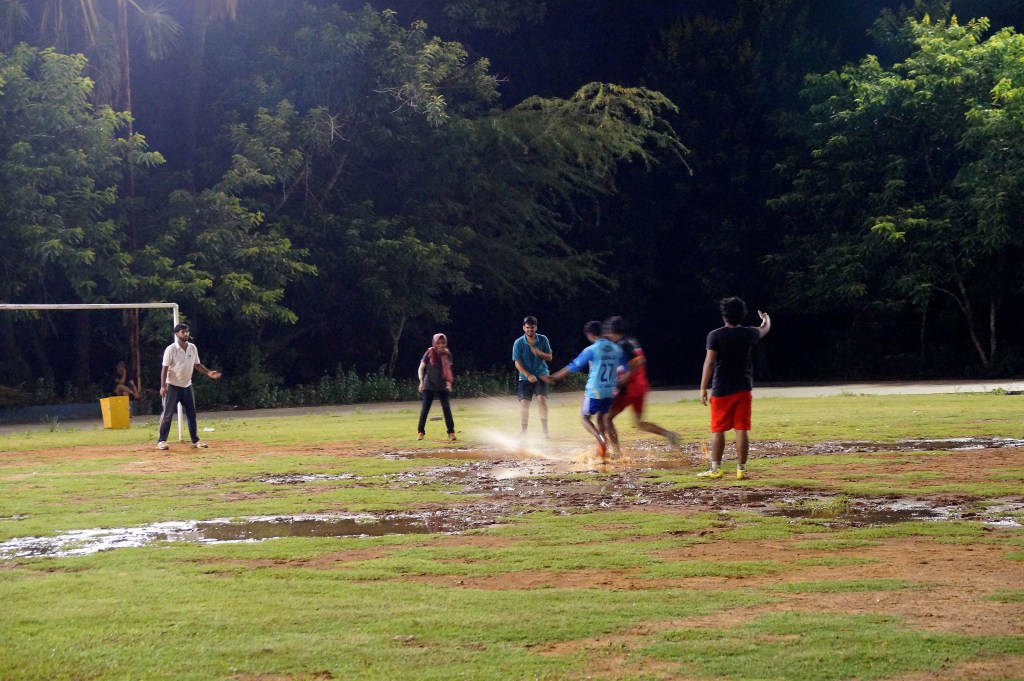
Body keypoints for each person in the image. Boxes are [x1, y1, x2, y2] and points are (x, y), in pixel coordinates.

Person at [698, 297, 771, 480]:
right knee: (741, 429)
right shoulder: (749, 333)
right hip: (743, 388)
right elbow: (765, 328)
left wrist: (702, 387)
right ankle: (741, 470)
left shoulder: (715, 335)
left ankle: (716, 469)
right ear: (742, 315)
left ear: (724, 316)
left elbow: (710, 361)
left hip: (721, 388)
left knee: (718, 429)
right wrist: (766, 318)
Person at [543, 321, 627, 463]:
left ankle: (600, 440)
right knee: (602, 418)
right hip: (611, 391)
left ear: (590, 334)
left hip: (595, 391)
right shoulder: (616, 349)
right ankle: (615, 451)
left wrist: (554, 377)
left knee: (585, 419)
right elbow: (624, 368)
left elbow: (574, 366)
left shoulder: (591, 349)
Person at [603, 316, 679, 449]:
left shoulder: (622, 345)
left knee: (607, 418)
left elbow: (638, 363)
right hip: (641, 387)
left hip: (629, 389)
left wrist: (623, 380)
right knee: (639, 423)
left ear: (612, 332)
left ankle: (616, 451)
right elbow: (640, 361)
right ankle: (668, 434)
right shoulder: (632, 342)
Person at [156, 323, 222, 450]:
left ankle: (195, 441)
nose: (186, 334)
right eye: (183, 332)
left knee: (191, 414)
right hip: (172, 386)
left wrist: (208, 373)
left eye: (187, 332)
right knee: (168, 414)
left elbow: (197, 365)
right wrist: (163, 386)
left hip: (187, 385)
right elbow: (164, 369)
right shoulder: (171, 349)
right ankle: (161, 440)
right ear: (177, 334)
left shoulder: (192, 347)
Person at [512, 315, 553, 438]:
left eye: (532, 327)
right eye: (528, 327)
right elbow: (517, 363)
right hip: (525, 376)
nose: (530, 330)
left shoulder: (543, 339)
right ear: (524, 327)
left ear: (536, 327)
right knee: (524, 403)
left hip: (541, 373)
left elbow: (550, 357)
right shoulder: (518, 343)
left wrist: (539, 353)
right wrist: (528, 375)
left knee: (541, 399)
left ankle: (545, 432)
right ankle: (524, 431)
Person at [417, 333, 457, 441]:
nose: (441, 345)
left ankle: (451, 432)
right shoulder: (429, 352)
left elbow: (448, 369)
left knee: (446, 409)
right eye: (438, 343)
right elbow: (421, 368)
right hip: (429, 384)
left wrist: (449, 382)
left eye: (443, 343)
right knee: (425, 409)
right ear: (434, 343)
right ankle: (421, 432)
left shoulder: (447, 354)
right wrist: (421, 382)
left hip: (442, 385)